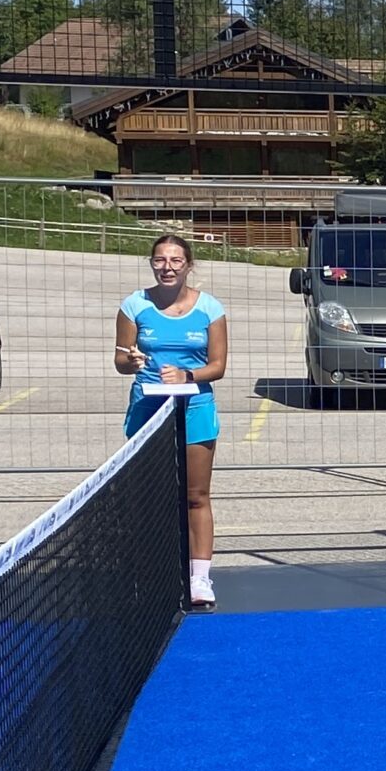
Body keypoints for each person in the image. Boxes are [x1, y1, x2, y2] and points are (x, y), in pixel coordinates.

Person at [115, 234, 228, 610]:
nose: (167, 267)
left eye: (176, 261)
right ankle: (151, 573)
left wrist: (187, 376)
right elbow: (121, 360)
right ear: (152, 264)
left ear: (188, 265)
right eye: (160, 260)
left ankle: (200, 578)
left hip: (195, 409)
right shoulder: (134, 305)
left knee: (196, 496)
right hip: (148, 409)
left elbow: (218, 366)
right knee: (147, 497)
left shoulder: (210, 308)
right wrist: (131, 362)